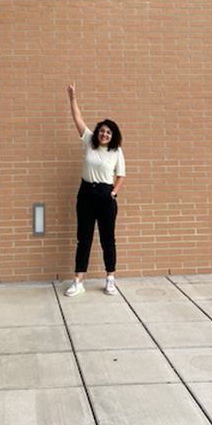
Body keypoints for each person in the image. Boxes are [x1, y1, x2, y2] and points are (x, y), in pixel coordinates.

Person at [65, 83, 125, 296]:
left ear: (112, 135)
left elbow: (121, 175)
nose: (104, 134)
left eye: (108, 132)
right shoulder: (89, 141)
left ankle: (110, 278)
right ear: (97, 132)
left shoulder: (116, 151)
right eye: (102, 131)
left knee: (107, 239)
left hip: (106, 196)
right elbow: (78, 119)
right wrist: (73, 98)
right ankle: (78, 281)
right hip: (86, 194)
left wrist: (114, 193)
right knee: (84, 238)